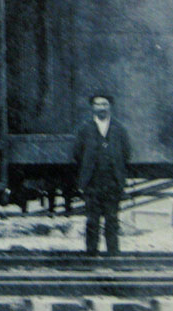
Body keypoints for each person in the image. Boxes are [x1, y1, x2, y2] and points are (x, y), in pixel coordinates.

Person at [72, 94, 131, 256]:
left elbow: (126, 152)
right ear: (93, 107)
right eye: (98, 104)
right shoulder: (85, 129)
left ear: (110, 106)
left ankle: (113, 253)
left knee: (112, 219)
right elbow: (77, 153)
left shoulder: (119, 129)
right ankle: (91, 253)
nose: (101, 107)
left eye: (104, 104)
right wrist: (89, 167)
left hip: (112, 181)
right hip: (92, 181)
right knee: (92, 220)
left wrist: (116, 170)